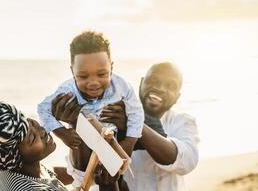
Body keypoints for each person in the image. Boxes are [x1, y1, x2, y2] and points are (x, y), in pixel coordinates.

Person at [53, 62, 200, 190]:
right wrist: (75, 122)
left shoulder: (183, 121)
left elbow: (186, 162)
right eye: (153, 81)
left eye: (170, 86)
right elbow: (82, 172)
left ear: (177, 98)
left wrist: (134, 123)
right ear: (142, 83)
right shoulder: (111, 114)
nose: (160, 88)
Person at [37, 31, 144, 188]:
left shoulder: (121, 86)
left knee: (117, 177)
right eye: (83, 76)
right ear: (72, 71)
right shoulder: (67, 90)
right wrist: (62, 133)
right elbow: (42, 109)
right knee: (83, 181)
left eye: (102, 74)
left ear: (111, 67)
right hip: (82, 149)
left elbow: (136, 112)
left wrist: (130, 141)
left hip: (112, 144)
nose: (93, 82)